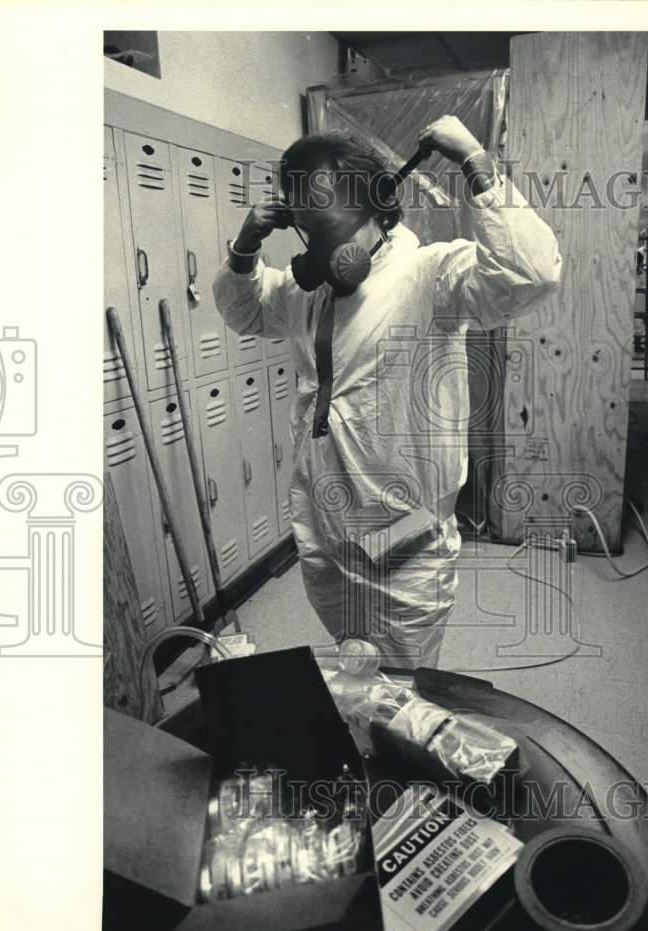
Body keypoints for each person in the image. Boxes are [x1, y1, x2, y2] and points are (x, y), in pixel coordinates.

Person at [213, 116, 562, 672]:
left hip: (405, 541)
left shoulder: (431, 276)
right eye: (306, 231)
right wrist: (245, 247)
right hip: (323, 526)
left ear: (376, 205)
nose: (320, 251)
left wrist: (475, 159)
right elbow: (245, 310)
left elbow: (530, 273)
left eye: (328, 228)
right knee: (354, 671)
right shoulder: (311, 290)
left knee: (402, 689)